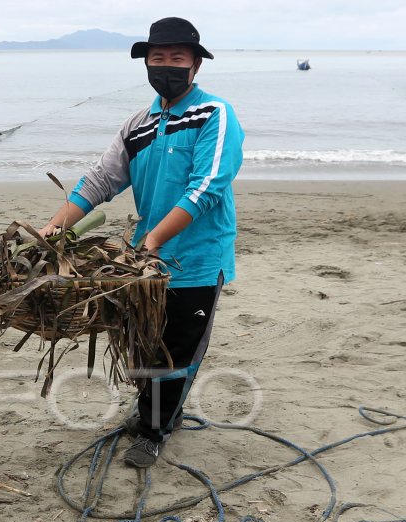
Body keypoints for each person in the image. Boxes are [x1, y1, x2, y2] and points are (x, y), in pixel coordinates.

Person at [40, 17, 244, 469]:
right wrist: (54, 229)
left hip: (194, 258)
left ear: (195, 64)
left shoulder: (214, 115)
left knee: (178, 350)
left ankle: (155, 430)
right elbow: (100, 181)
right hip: (143, 261)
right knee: (142, 345)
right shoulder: (139, 123)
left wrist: (152, 241)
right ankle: (149, 411)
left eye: (177, 58)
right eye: (158, 58)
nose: (166, 66)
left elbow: (207, 187)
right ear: (146, 63)